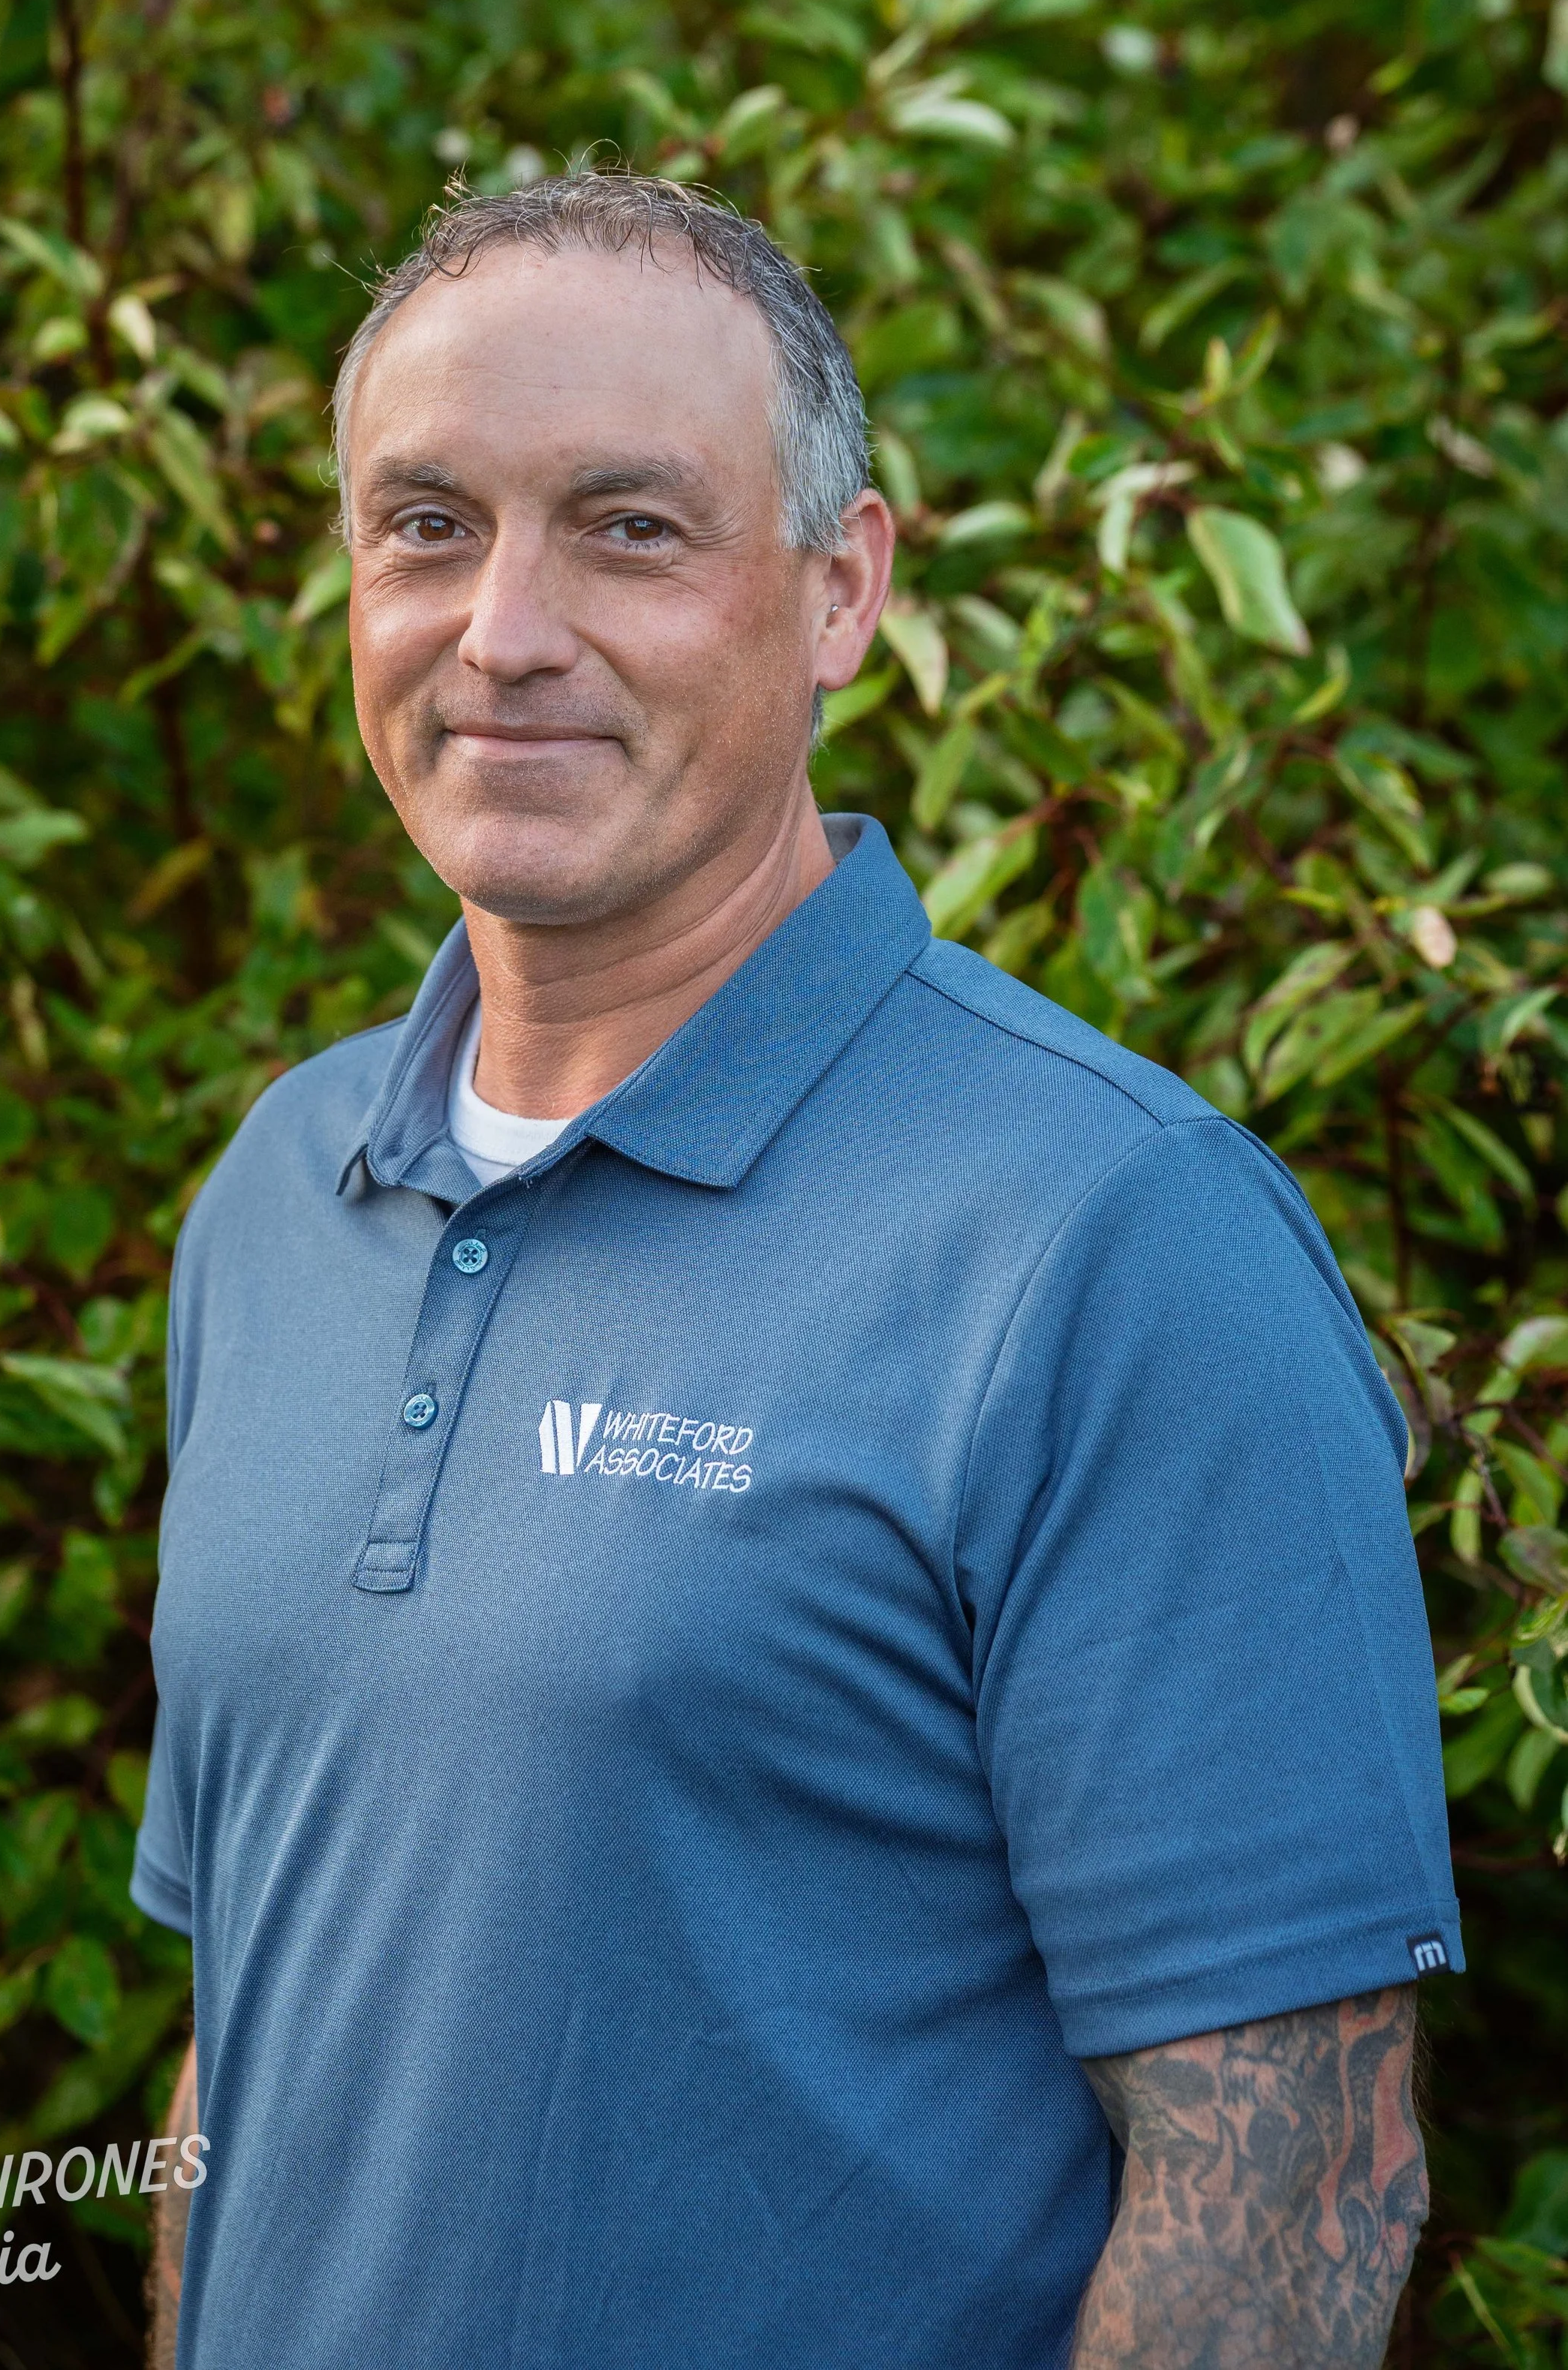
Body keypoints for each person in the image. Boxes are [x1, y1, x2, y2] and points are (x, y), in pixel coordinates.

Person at [133, 171, 1459, 2369]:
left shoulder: (1114, 1238)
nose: (503, 629)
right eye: (426, 523)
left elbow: (1292, 2195)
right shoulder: (279, 1193)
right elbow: (253, 2032)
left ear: (840, 589)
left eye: (628, 527)